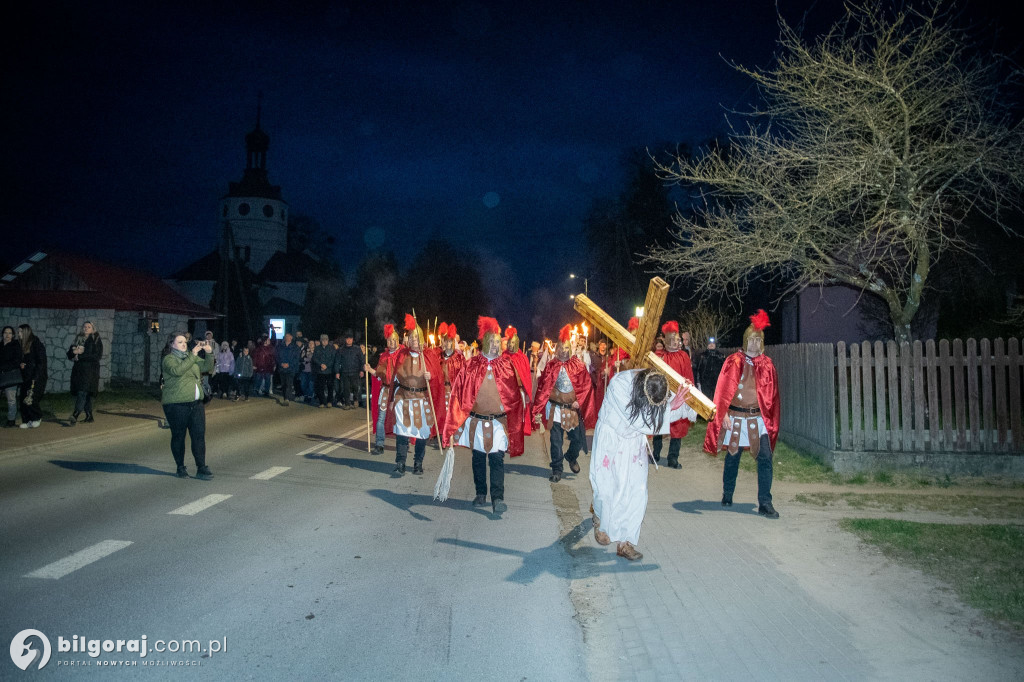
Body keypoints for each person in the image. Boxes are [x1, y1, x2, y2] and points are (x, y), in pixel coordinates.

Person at [590, 369, 696, 561]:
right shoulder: (619, 385)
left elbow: (669, 409)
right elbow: (636, 419)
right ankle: (600, 518)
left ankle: (625, 542)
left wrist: (686, 397)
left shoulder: (660, 383)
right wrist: (670, 407)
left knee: (636, 490)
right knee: (607, 488)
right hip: (611, 440)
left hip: (634, 443)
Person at [442, 317, 525, 514]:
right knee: (478, 458)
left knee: (497, 459)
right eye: (493, 341)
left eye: (498, 342)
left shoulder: (506, 364)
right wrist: (456, 422)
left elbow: (514, 394)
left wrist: (515, 418)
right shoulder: (471, 364)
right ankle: (480, 493)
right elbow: (460, 392)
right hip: (477, 422)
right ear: (485, 342)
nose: (496, 345)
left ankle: (498, 498)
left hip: (497, 422)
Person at [704, 310, 781, 519]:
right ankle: (727, 494)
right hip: (735, 418)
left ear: (762, 342)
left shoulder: (767, 364)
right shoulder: (733, 361)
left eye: (758, 340)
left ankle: (765, 502)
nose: (754, 344)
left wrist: (770, 420)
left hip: (758, 419)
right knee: (732, 458)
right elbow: (722, 390)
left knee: (765, 458)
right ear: (745, 341)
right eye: (751, 340)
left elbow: (773, 397)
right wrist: (724, 414)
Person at [533, 325, 596, 483]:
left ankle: (571, 457)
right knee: (556, 441)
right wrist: (539, 408)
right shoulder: (550, 365)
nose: (563, 350)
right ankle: (557, 468)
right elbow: (543, 387)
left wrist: (579, 401)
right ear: (556, 348)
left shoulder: (578, 365)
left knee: (577, 440)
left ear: (570, 348)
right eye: (561, 347)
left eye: (566, 347)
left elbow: (587, 386)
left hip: (572, 411)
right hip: (555, 409)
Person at [385, 315, 442, 474]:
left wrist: (431, 377)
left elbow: (437, 378)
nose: (414, 340)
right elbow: (395, 380)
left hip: (422, 400)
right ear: (408, 340)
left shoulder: (429, 355)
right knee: (402, 432)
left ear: (422, 339)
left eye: (417, 337)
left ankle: (418, 463)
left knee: (421, 433)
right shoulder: (403, 355)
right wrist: (391, 400)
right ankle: (400, 463)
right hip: (403, 399)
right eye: (412, 337)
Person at [161, 332, 215, 479]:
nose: (184, 344)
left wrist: (209, 353)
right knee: (179, 436)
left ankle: (201, 467)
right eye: (180, 342)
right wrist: (193, 354)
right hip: (177, 405)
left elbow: (207, 366)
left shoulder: (190, 357)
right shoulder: (168, 359)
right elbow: (177, 371)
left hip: (196, 404)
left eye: (185, 341)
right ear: (172, 344)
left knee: (198, 436)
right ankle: (180, 467)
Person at [650, 321, 695, 469]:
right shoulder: (661, 357)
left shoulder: (684, 356)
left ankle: (673, 458)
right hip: (664, 395)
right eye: (675, 340)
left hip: (680, 395)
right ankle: (655, 454)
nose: (678, 342)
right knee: (659, 423)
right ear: (668, 341)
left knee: (679, 426)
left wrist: (690, 390)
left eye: (678, 340)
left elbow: (689, 375)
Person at [366, 323, 402, 455]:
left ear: (397, 341)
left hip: (399, 391)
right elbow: (379, 374)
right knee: (381, 418)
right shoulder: (383, 357)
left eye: (394, 340)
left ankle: (402, 444)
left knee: (400, 418)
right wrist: (369, 369)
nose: (391, 342)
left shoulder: (403, 354)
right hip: (386, 390)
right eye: (389, 340)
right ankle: (379, 444)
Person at [65, 320, 103, 425]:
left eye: (89, 327)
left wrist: (80, 356)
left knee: (82, 392)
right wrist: (74, 352)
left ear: (93, 329)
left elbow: (97, 356)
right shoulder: (78, 339)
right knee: (85, 393)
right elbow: (69, 354)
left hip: (90, 371)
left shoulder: (96, 339)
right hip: (78, 371)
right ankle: (89, 416)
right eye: (85, 326)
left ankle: (75, 415)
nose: (86, 328)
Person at [502, 325, 533, 438]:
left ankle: (517, 432)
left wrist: (527, 390)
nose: (510, 345)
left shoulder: (522, 357)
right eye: (509, 343)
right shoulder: (503, 357)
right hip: (507, 391)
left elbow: (526, 376)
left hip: (519, 390)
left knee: (520, 412)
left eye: (512, 343)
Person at [18, 324, 46, 428]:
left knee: (31, 398)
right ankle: (26, 420)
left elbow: (41, 362)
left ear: (25, 332)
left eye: (20, 332)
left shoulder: (36, 343)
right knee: (23, 399)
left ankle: (37, 417)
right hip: (26, 376)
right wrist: (21, 364)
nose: (18, 334)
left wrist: (35, 377)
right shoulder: (22, 344)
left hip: (36, 376)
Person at [335, 331, 364, 410]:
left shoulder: (357, 349)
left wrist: (362, 370)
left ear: (352, 340)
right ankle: (347, 403)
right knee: (346, 388)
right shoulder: (341, 350)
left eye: (350, 339)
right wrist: (337, 372)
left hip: (355, 371)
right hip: (344, 372)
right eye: (347, 339)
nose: (349, 340)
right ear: (345, 340)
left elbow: (362, 360)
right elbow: (337, 361)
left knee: (355, 387)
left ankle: (355, 399)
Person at [1, 326, 22, 427]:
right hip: (1, 375)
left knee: (11, 399)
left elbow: (17, 361)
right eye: (5, 333)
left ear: (13, 335)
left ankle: (11, 419)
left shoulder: (15, 345)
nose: (7, 335)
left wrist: (3, 367)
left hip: (10, 376)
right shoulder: (0, 345)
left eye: (10, 333)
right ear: (2, 334)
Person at [276, 332, 300, 405]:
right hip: (282, 368)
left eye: (288, 336)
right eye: (286, 336)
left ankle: (287, 398)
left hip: (291, 369)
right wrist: (281, 363)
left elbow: (296, 358)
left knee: (289, 384)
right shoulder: (280, 346)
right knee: (283, 384)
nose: (287, 338)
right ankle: (285, 397)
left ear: (291, 337)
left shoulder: (295, 347)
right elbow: (277, 356)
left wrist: (289, 364)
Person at [312, 334, 337, 408]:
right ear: (321, 340)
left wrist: (327, 365)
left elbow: (333, 359)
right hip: (320, 371)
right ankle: (322, 402)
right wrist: (321, 365)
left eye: (326, 340)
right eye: (323, 340)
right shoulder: (317, 348)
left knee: (330, 387)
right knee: (320, 387)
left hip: (329, 371)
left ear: (328, 340)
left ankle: (329, 401)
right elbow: (314, 358)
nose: (324, 341)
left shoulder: (332, 348)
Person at [300, 339, 316, 403]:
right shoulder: (304, 350)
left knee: (310, 384)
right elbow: (301, 358)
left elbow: (314, 359)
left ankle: (309, 396)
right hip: (304, 370)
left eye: (312, 343)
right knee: (303, 384)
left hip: (312, 370)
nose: (310, 344)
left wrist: (307, 358)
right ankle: (305, 394)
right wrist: (307, 359)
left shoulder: (316, 351)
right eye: (309, 343)